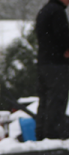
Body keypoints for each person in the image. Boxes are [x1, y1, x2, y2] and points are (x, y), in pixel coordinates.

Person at [35, 0, 69, 140]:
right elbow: (62, 36)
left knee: (45, 100)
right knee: (57, 100)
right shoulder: (57, 12)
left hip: (44, 62)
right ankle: (53, 135)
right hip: (56, 64)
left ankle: (41, 133)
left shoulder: (45, 10)